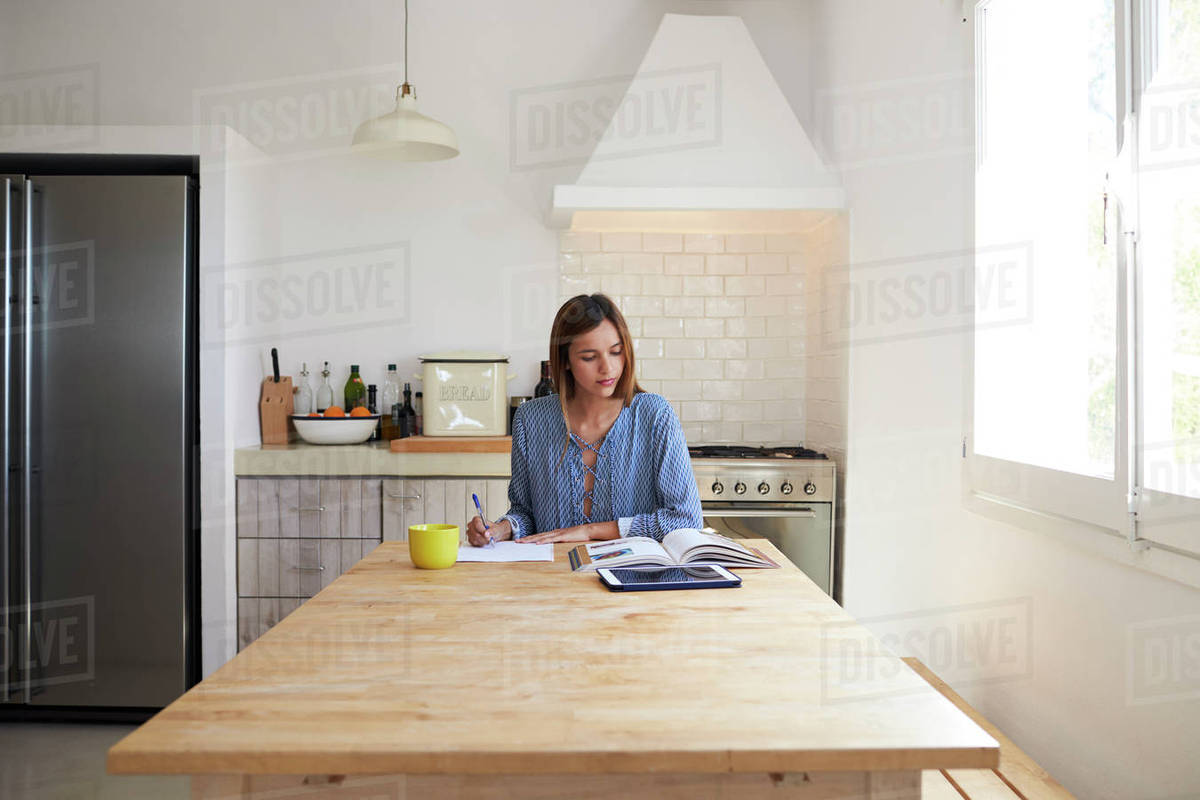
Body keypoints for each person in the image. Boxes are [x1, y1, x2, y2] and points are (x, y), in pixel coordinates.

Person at [466, 293, 703, 545]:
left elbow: (686, 519)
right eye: (589, 357)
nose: (608, 368)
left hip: (633, 579)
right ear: (565, 360)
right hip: (554, 579)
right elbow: (526, 513)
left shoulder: (654, 415)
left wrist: (591, 531)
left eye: (616, 352)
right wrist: (501, 529)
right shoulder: (530, 420)